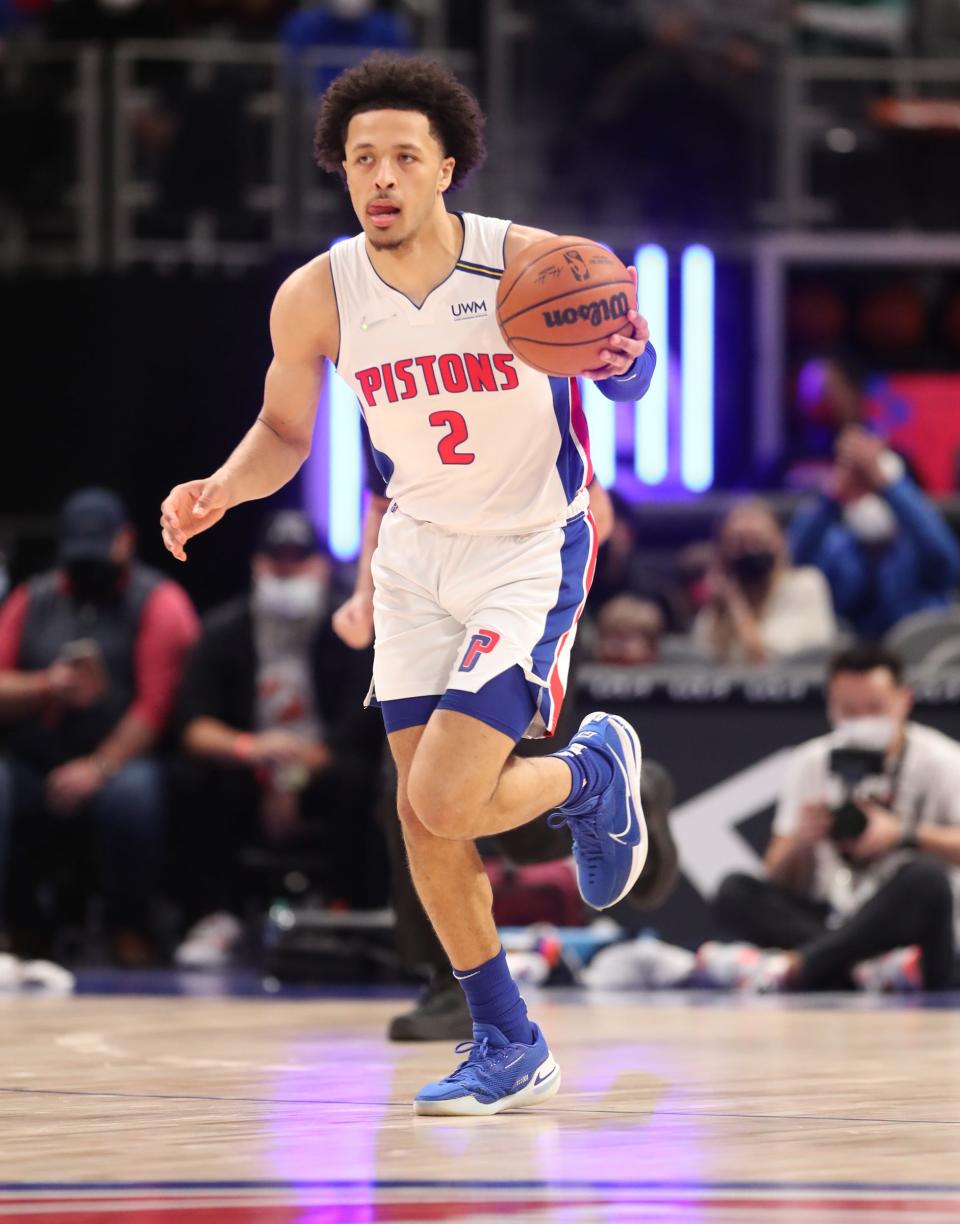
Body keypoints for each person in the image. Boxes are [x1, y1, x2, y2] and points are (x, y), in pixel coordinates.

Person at [160, 52, 664, 1116]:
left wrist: (623, 364)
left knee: (444, 797)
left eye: (400, 157)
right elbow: (285, 432)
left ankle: (587, 777)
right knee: (424, 817)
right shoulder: (319, 295)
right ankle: (507, 1041)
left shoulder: (528, 264)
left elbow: (630, 369)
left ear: (446, 168)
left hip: (529, 549)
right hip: (416, 557)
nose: (379, 177)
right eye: (359, 161)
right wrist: (221, 486)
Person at [173, 509, 384, 967]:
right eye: (276, 561)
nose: (286, 571)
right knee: (194, 779)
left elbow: (361, 724)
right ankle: (217, 915)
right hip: (250, 764)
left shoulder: (350, 631)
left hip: (322, 766)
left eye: (299, 561)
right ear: (256, 565)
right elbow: (194, 726)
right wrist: (252, 751)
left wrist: (293, 776)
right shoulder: (224, 630)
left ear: (321, 567)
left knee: (367, 779)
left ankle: (344, 909)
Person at [0, 488, 199, 963]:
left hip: (124, 758)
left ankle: (130, 926)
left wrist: (98, 766)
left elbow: (155, 707)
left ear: (125, 541)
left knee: (132, 797)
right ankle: (21, 926)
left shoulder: (160, 602)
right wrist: (48, 685)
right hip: (38, 754)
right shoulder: (33, 598)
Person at [709, 644, 960, 992]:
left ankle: (804, 966)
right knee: (734, 892)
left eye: (874, 708)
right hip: (832, 914)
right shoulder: (811, 760)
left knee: (927, 881)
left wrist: (905, 834)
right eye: (848, 710)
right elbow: (775, 875)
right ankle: (864, 969)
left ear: (904, 700)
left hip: (902, 923)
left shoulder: (942, 760)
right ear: (830, 706)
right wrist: (801, 839)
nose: (861, 721)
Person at [789, 426, 960, 640]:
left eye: (877, 492)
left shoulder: (916, 546)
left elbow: (945, 560)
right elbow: (794, 560)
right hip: (852, 660)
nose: (870, 503)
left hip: (917, 660)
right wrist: (833, 495)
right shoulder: (837, 546)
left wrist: (887, 484)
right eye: (862, 489)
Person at [691, 498, 838, 663]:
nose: (750, 550)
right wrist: (720, 610)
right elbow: (703, 665)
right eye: (738, 543)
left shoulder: (804, 585)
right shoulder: (718, 602)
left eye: (758, 541)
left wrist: (735, 603)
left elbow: (762, 660)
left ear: (781, 542)